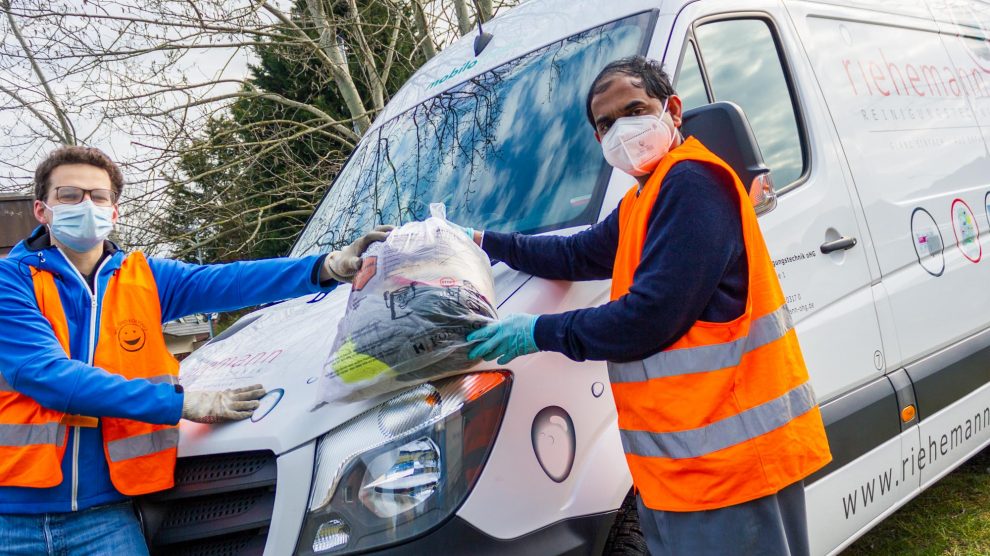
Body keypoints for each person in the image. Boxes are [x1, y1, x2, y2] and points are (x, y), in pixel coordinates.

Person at [460, 56, 832, 555]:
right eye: (606, 124)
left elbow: (648, 317)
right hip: (684, 470)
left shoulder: (693, 183)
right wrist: (485, 241)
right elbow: (578, 252)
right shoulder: (645, 197)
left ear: (672, 109)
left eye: (634, 110)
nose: (621, 130)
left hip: (734, 469)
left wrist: (537, 332)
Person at [0, 146, 389, 555]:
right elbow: (45, 374)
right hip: (12, 517)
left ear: (114, 212)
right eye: (70, 195)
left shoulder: (144, 277)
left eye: (98, 197)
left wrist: (325, 266)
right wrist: (181, 403)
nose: (86, 205)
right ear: (42, 210)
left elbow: (232, 281)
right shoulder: (11, 281)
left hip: (105, 516)